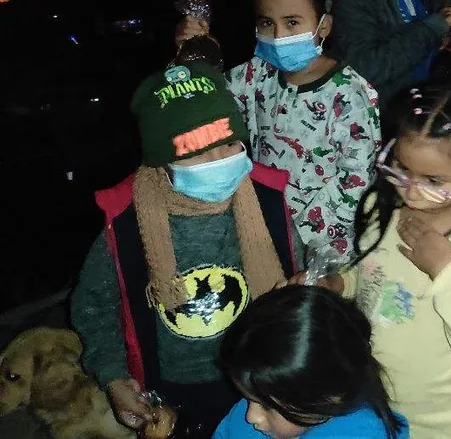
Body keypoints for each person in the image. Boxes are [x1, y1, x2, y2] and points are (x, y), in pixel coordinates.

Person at [71, 62, 304, 435]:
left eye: (228, 144)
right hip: (173, 389)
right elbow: (94, 306)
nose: (218, 161)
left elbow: (297, 279)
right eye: (196, 152)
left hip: (259, 374)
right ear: (162, 161)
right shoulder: (126, 224)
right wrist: (113, 376)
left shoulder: (268, 203)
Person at [336, 78, 451, 438]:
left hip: (446, 423)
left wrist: (445, 270)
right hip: (373, 405)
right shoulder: (381, 207)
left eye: (433, 181)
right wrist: (339, 283)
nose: (411, 190)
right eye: (401, 168)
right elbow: (369, 276)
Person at [222, 0, 381, 269]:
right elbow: (209, 100)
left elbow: (357, 178)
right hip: (266, 229)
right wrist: (192, 56)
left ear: (324, 26)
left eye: (292, 23)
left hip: (324, 248)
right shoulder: (257, 74)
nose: (278, 35)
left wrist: (303, 233)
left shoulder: (349, 94)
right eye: (267, 23)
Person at [214, 285, 408, 438]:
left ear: (330, 398)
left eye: (267, 406)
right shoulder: (251, 407)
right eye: (248, 398)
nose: (250, 417)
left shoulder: (363, 433)